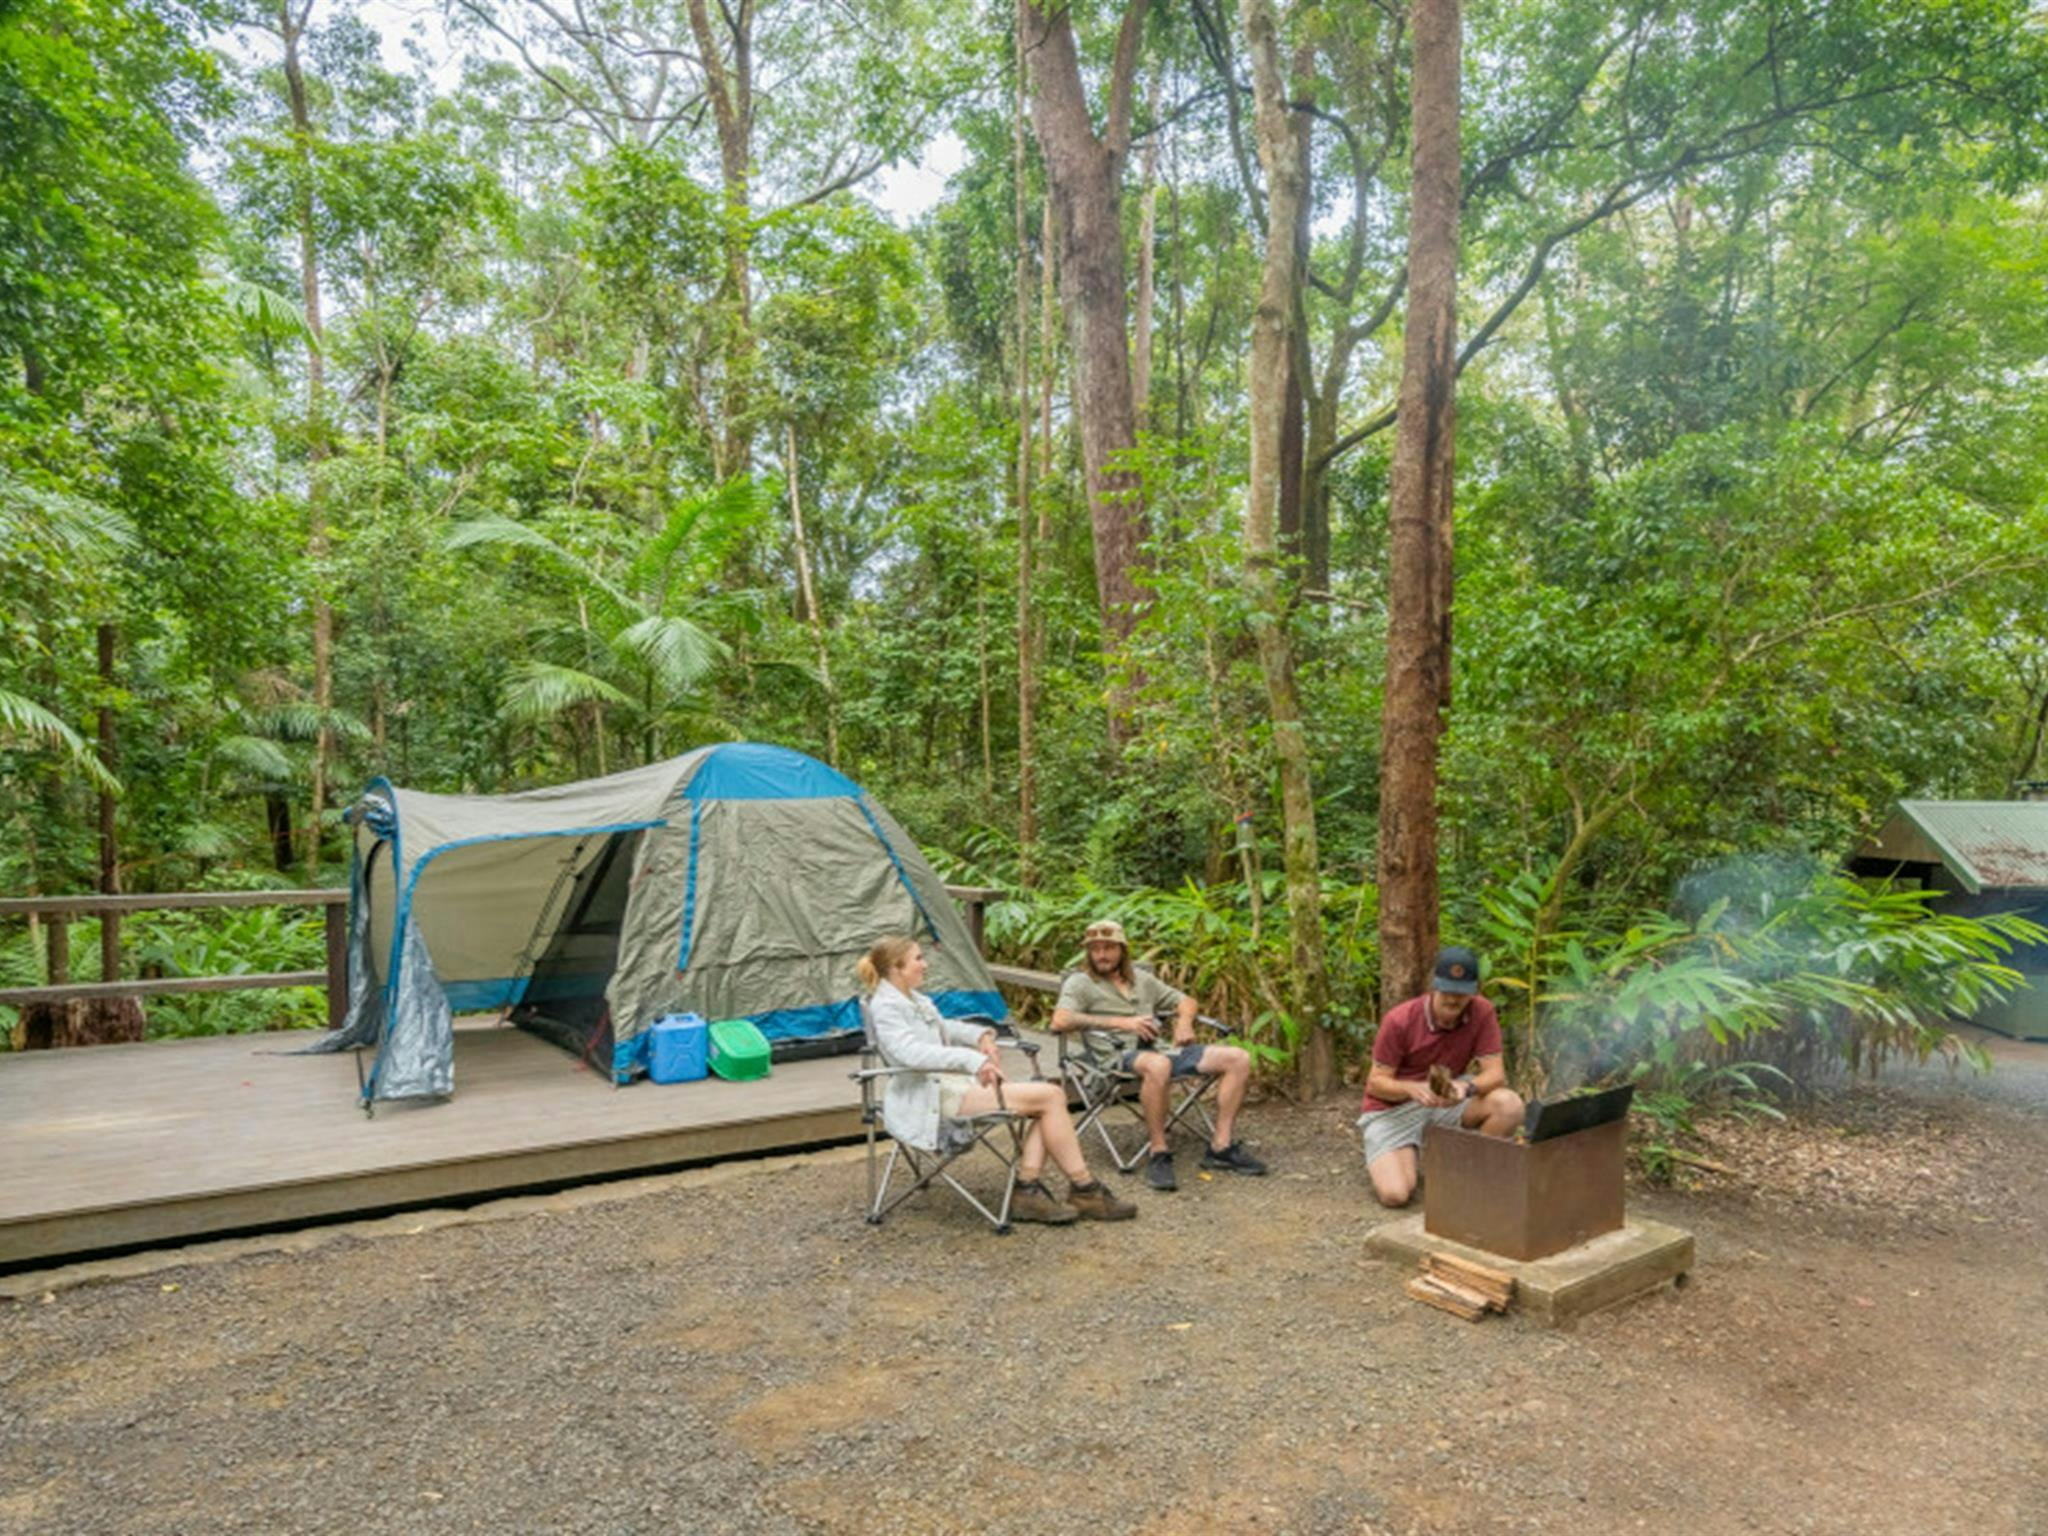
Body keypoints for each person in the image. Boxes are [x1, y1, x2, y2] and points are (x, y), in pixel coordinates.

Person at [861, 934, 1135, 1224]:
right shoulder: (886, 1007)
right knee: (1051, 1097)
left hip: (947, 1086)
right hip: (929, 1097)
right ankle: (1080, 1189)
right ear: (895, 968)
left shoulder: (913, 998)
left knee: (1048, 1100)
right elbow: (910, 1053)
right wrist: (973, 1060)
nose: (925, 964)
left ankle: (1035, 1190)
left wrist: (980, 1034)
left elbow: (945, 1027)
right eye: (917, 959)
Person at [1049, 918, 1268, 1191]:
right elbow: (1060, 1021)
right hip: (1116, 1056)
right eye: (1095, 949)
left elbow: (1186, 1001)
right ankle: (1158, 1150)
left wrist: (1184, 1022)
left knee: (1238, 1057)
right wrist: (1121, 1023)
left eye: (1108, 948)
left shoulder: (1142, 980)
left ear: (1122, 950)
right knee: (1159, 1065)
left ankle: (1220, 1147)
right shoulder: (1080, 983)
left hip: (1160, 1049)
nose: (1101, 955)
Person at [1359, 944, 1525, 1208]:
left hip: (1446, 1101)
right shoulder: (1400, 1019)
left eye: (1462, 993)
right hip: (1394, 1110)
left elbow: (1495, 1074)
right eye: (1447, 990)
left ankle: (1471, 1175)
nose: (1453, 999)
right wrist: (1412, 1089)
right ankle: (1407, 1150)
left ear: (1475, 990)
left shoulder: (1481, 1012)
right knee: (1395, 1194)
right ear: (1434, 986)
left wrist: (1465, 1088)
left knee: (1509, 1105)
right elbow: (1376, 1084)